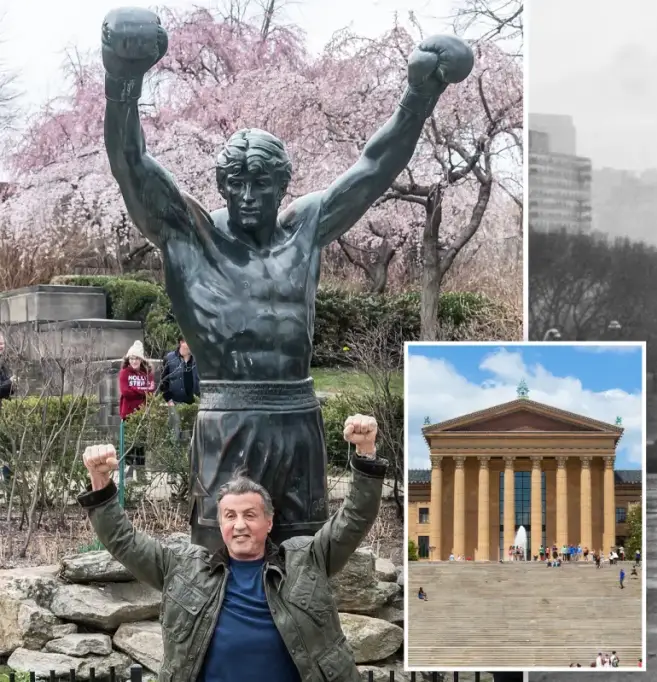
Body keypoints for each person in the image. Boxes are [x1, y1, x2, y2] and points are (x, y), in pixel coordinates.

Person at [100, 8, 474, 551]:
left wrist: (420, 95)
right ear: (222, 186)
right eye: (236, 184)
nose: (248, 196)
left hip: (298, 420)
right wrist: (122, 80)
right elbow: (130, 163)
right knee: (218, 561)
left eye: (261, 184)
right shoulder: (188, 234)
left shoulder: (306, 229)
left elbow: (373, 168)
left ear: (282, 185)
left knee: (305, 563)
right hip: (227, 420)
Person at [78, 413, 385, 682]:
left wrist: (365, 452)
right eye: (230, 516)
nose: (239, 525)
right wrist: (99, 481)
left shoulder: (307, 560)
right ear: (220, 523)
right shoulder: (182, 569)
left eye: (250, 515)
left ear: (269, 521)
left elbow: (355, 517)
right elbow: (124, 541)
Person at [119, 340, 156, 480]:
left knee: (141, 445)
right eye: (131, 358)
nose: (134, 361)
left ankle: (141, 475)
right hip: (128, 413)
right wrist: (142, 390)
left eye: (137, 358)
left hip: (142, 413)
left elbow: (151, 391)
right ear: (128, 359)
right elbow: (125, 392)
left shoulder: (147, 374)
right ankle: (128, 474)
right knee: (129, 444)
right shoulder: (124, 373)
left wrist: (136, 389)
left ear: (141, 359)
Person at [160, 336, 200, 406]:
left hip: (195, 404)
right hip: (175, 404)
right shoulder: (169, 358)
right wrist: (169, 401)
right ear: (181, 342)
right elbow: (163, 383)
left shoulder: (198, 359)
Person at [0, 332, 15, 405]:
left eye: (2, 343)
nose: (1, 346)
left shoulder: (2, 362)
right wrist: (10, 382)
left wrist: (13, 384)